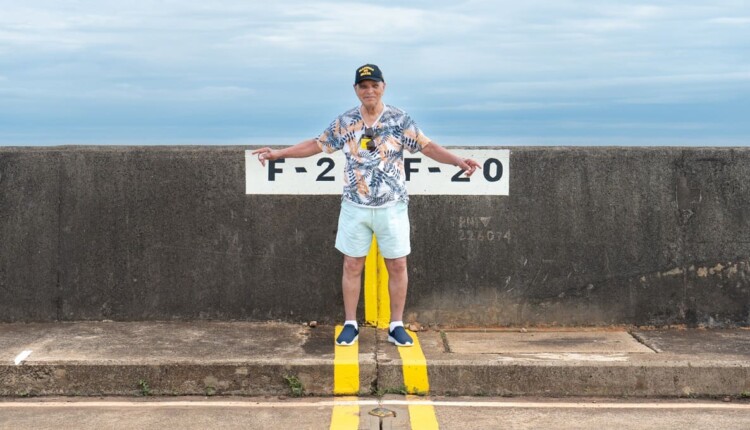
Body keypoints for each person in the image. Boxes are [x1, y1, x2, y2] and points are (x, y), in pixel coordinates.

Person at [253, 64, 480, 347]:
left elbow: (428, 147)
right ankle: (350, 323)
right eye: (363, 86)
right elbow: (316, 145)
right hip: (355, 206)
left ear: (383, 87)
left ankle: (396, 324)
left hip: (392, 206)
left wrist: (459, 161)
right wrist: (279, 154)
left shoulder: (400, 119)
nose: (369, 90)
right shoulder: (346, 121)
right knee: (352, 264)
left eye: (374, 85)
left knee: (397, 265)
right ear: (356, 90)